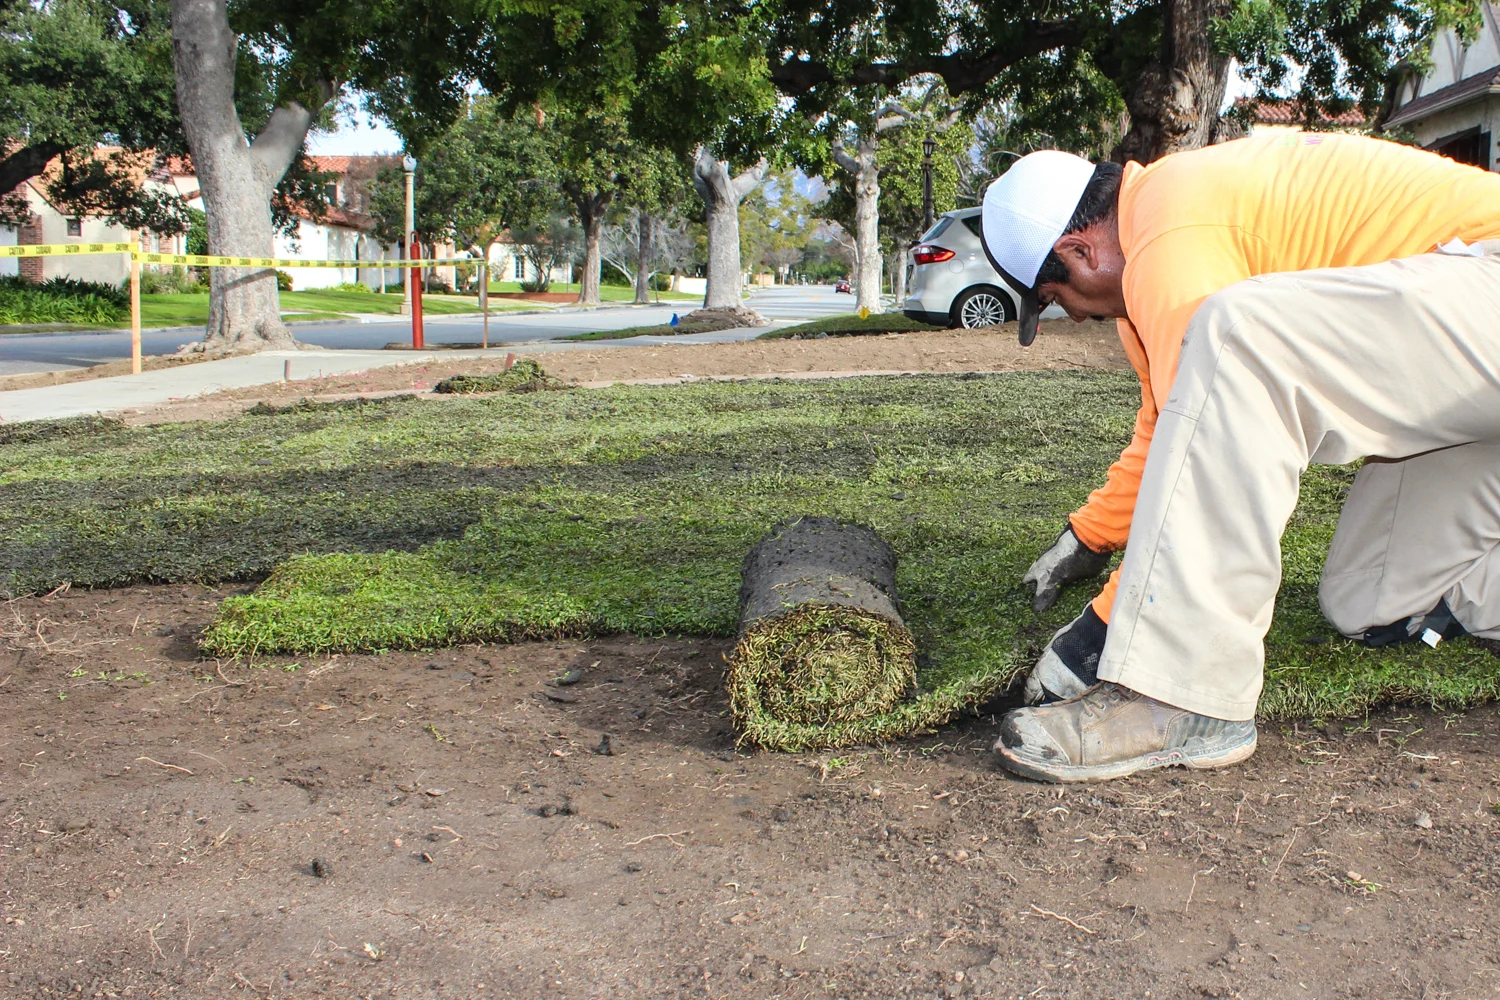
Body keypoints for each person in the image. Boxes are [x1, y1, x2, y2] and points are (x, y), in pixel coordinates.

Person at [977, 133, 1500, 783]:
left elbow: (1205, 429)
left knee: (1240, 333)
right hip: (1475, 366)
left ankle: (1181, 693)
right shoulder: (1157, 235)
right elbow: (1176, 425)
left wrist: (1099, 633)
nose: (1076, 317)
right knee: (1373, 597)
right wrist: (1089, 537)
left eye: (1057, 299)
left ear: (1079, 251)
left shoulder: (1170, 236)